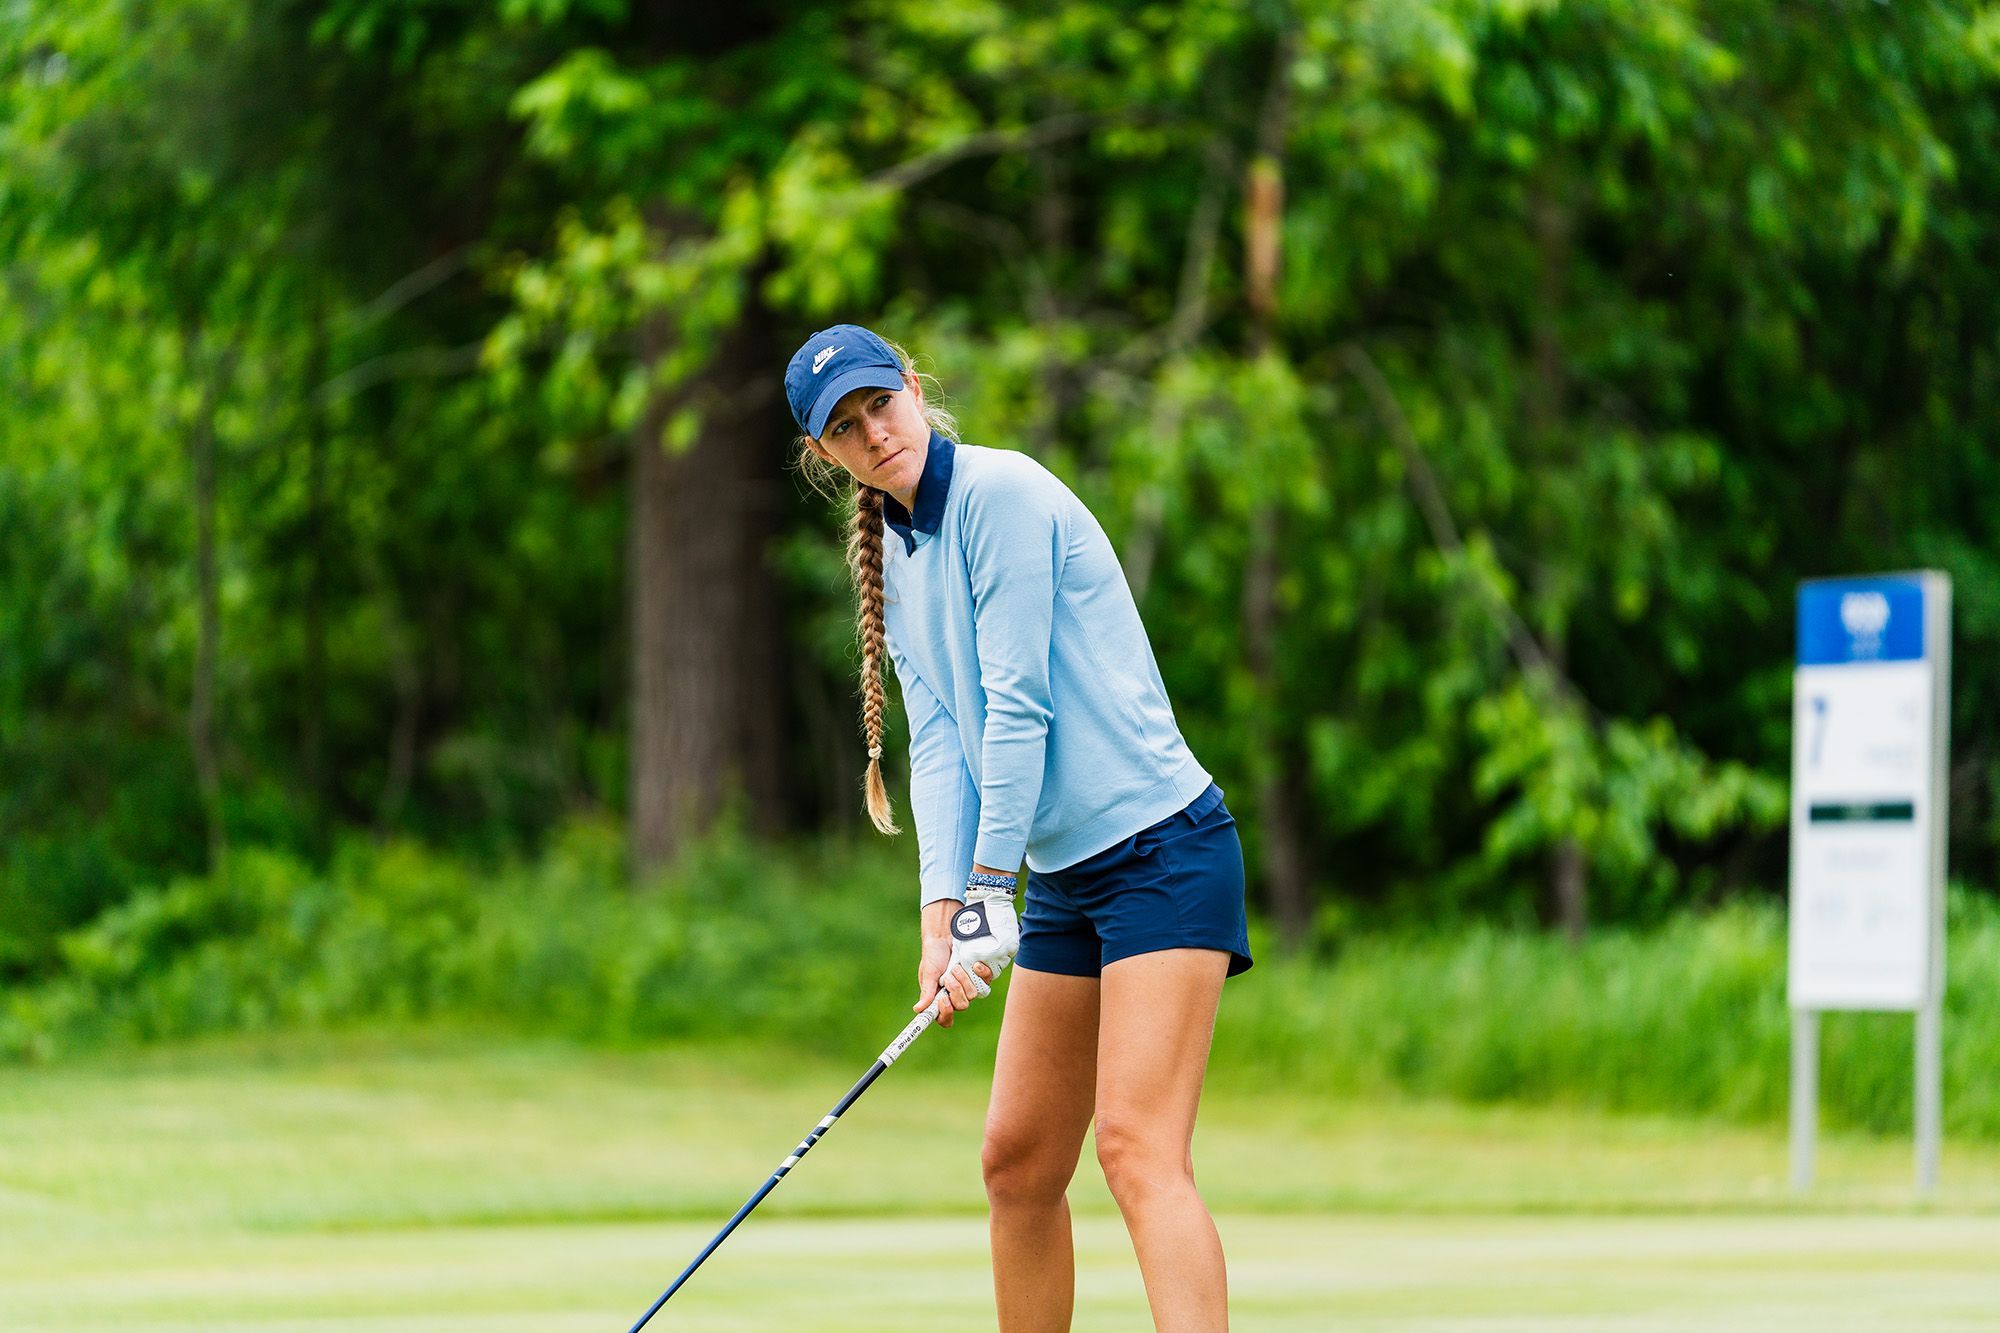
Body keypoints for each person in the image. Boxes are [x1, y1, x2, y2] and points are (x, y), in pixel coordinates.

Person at [784, 323, 1253, 1332]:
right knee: (1018, 1159)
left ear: (912, 388)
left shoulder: (1000, 495)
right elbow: (943, 743)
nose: (874, 433)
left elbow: (1018, 711)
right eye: (846, 428)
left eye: (880, 404)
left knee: (1134, 1150)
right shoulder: (895, 555)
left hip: (1162, 851)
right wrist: (940, 914)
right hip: (1069, 879)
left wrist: (990, 891)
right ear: (824, 455)